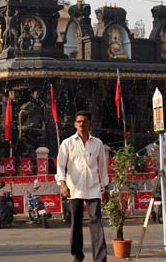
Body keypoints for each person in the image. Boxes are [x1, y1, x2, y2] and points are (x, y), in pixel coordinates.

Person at [56, 110, 109, 262]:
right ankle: (77, 257)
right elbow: (60, 166)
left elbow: (102, 167)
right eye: (79, 121)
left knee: (96, 223)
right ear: (75, 124)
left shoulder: (97, 143)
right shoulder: (67, 143)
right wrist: (63, 185)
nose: (81, 124)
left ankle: (100, 259)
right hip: (74, 188)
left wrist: (106, 187)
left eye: (85, 121)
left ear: (90, 124)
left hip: (93, 188)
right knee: (76, 223)